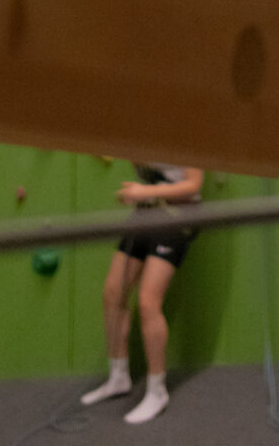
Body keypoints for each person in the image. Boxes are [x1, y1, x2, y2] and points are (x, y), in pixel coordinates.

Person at [82, 160, 204, 423]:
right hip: (146, 212)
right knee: (113, 293)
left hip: (178, 216)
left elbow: (194, 184)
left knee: (149, 301)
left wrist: (145, 192)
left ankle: (157, 391)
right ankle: (118, 377)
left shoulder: (190, 124)